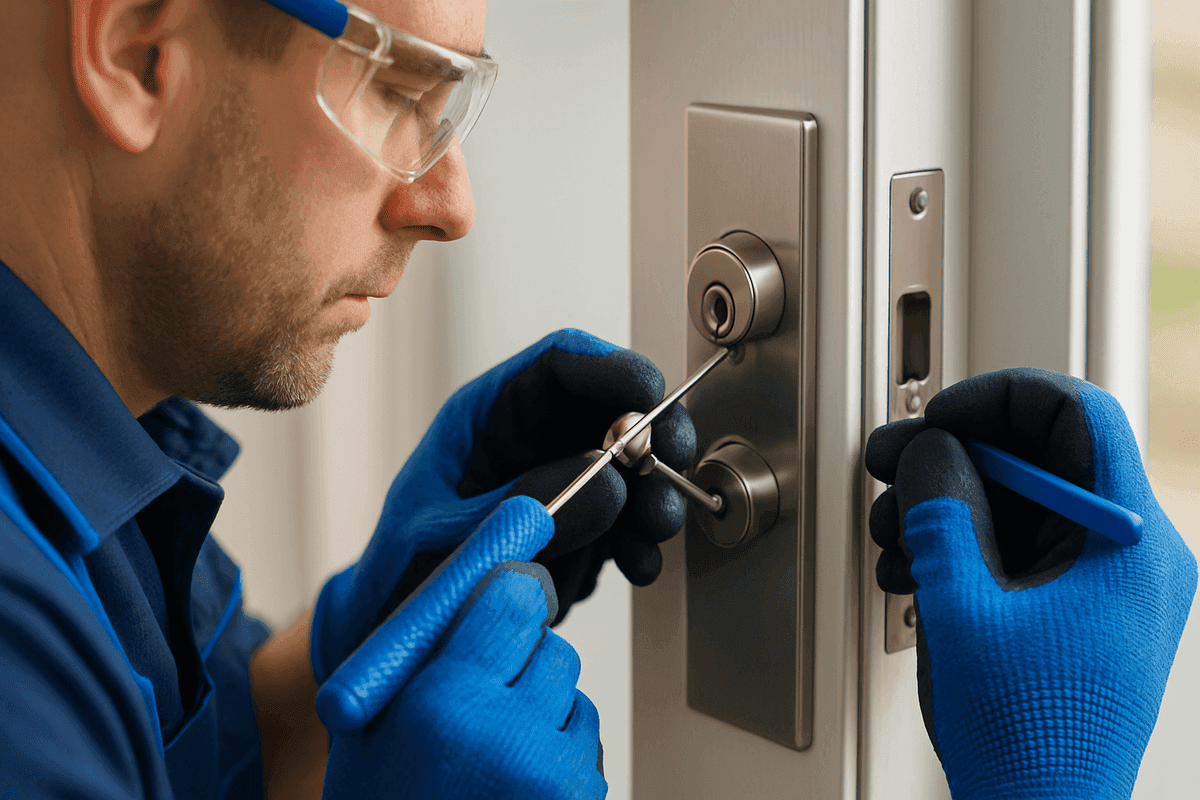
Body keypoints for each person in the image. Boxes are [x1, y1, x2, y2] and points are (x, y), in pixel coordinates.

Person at [0, 0, 694, 797]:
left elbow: (178, 762)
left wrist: (357, 646)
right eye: (398, 89)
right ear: (137, 53)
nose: (449, 208)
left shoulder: (102, 448)